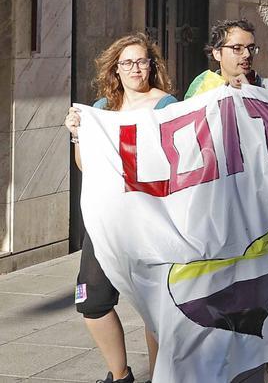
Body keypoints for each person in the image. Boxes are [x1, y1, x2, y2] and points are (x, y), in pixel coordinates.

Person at [63, 33, 171, 383]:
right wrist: (78, 135)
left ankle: (160, 377)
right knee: (92, 301)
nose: (135, 68)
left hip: (149, 219)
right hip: (105, 219)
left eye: (142, 61)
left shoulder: (168, 105)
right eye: (127, 62)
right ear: (116, 69)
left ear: (152, 66)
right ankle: (120, 374)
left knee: (155, 309)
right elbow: (86, 165)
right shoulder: (100, 109)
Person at [185, 20, 268, 99]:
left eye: (251, 48)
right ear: (217, 53)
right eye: (237, 48)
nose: (247, 54)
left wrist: (249, 93)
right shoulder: (202, 86)